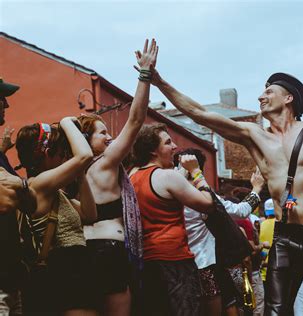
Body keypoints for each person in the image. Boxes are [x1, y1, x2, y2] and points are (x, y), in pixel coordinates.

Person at [145, 48, 303, 315]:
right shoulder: (254, 135)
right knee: (275, 311)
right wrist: (158, 81)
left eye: (269, 92)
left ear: (288, 98)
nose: (261, 97)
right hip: (286, 238)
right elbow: (199, 113)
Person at [77, 38, 157, 316]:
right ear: (85, 140)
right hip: (109, 251)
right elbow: (135, 122)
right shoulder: (104, 163)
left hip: (82, 252)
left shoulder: (69, 171)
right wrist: (145, 74)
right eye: (102, 133)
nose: (110, 137)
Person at [129, 123, 214, 316]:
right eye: (168, 142)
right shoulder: (168, 177)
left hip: (146, 260)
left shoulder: (132, 177)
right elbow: (208, 203)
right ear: (153, 150)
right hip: (174, 259)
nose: (175, 146)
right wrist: (196, 171)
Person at [16, 117, 98, 315]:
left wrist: (80, 174)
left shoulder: (55, 191)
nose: (64, 155)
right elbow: (85, 155)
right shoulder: (38, 184)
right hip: (64, 268)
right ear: (47, 153)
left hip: (73, 266)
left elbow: (89, 214)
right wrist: (65, 122)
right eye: (61, 150)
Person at [176, 148, 264, 316]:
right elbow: (241, 211)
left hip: (176, 264)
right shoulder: (202, 196)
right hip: (204, 264)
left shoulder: (167, 191)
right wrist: (257, 188)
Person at [0, 78, 36, 316]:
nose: (6, 105)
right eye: (1, 98)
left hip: (10, 278)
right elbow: (15, 198)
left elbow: (27, 199)